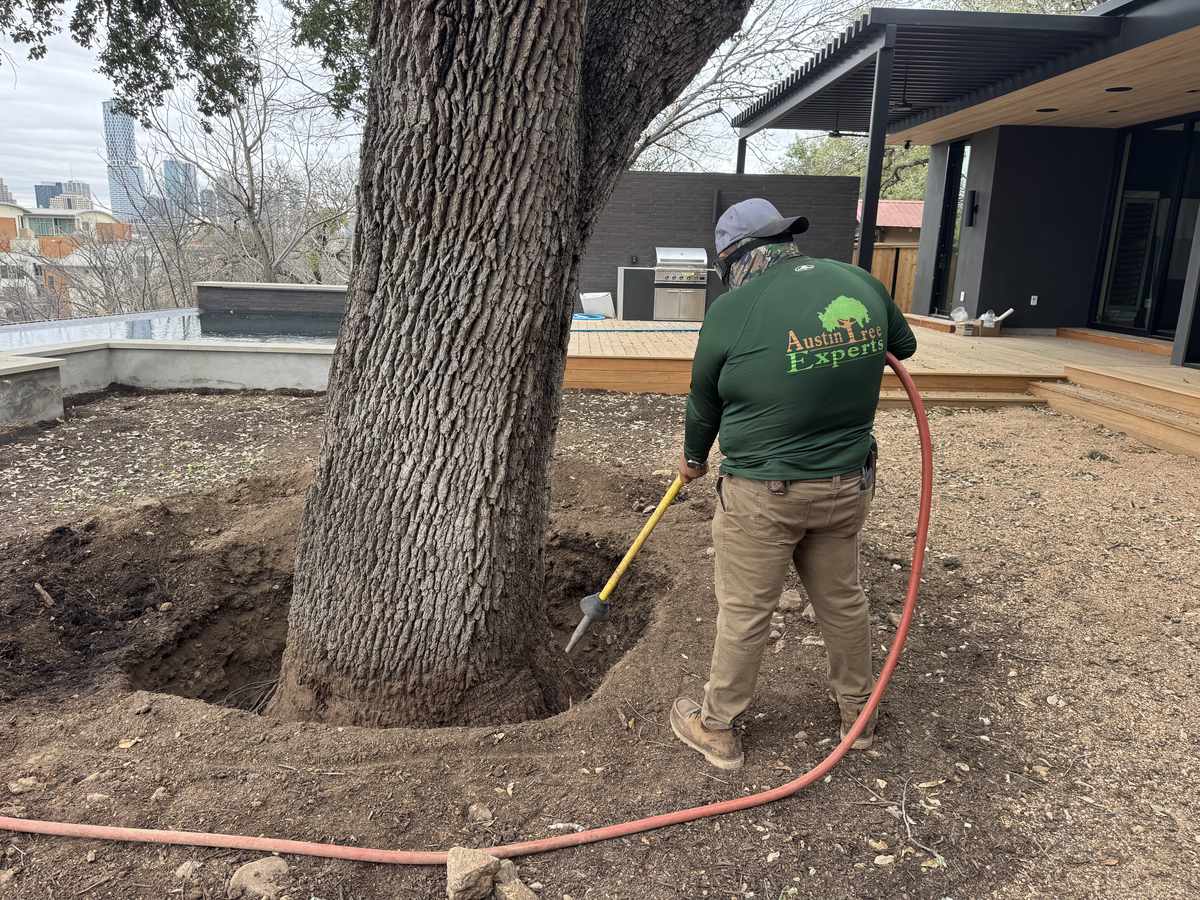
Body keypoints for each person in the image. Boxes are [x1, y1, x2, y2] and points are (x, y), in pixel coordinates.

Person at [669, 198, 918, 771]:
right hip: (845, 486)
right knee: (842, 600)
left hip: (764, 492)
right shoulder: (857, 281)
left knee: (746, 610)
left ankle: (718, 727)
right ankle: (859, 718)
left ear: (733, 256)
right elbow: (901, 349)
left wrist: (691, 461)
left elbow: (702, 404)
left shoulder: (732, 310)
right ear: (785, 237)